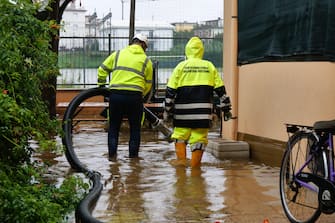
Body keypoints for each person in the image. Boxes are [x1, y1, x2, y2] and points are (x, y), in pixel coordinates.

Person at [164, 36, 231, 168]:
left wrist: (167, 110)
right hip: (202, 114)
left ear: (187, 50)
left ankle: (181, 169)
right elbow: (221, 90)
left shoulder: (180, 67)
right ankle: (195, 173)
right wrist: (226, 108)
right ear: (201, 51)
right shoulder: (209, 66)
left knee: (180, 137)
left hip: (182, 115)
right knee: (199, 140)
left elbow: (170, 91)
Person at [97, 33, 153, 159]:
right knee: (135, 129)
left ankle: (112, 158)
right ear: (143, 44)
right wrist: (140, 95)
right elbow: (148, 84)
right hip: (135, 97)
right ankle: (133, 161)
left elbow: (102, 69)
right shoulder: (146, 61)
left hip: (116, 96)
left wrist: (101, 87)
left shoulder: (117, 54)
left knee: (113, 128)